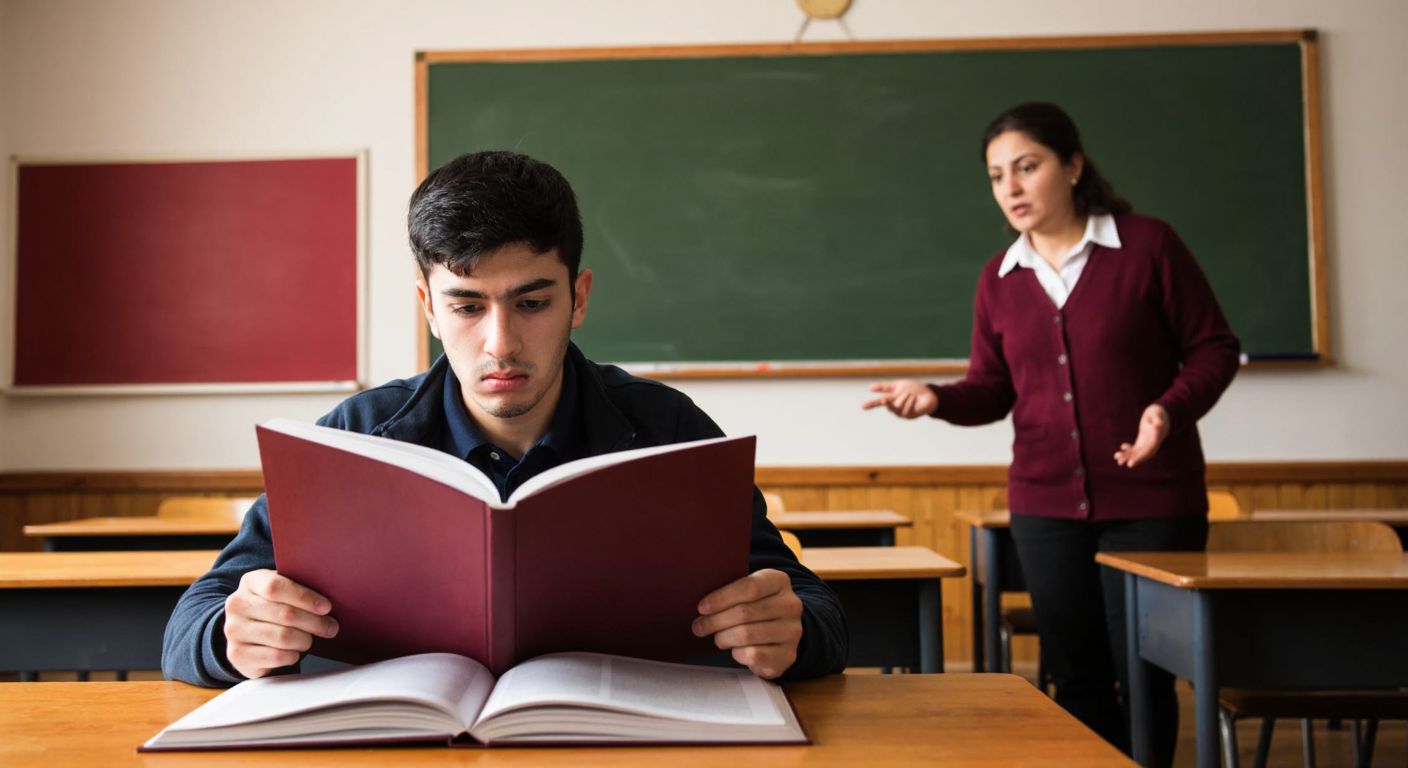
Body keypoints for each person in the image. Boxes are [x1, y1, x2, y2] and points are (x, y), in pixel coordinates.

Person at [163, 150, 847, 687]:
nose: (500, 344)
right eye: (465, 306)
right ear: (428, 307)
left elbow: (814, 612)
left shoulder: (666, 428)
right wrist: (229, 636)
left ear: (578, 297)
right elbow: (189, 624)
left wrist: (792, 631)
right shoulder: (351, 437)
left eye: (531, 303)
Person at [863, 102, 1239, 765]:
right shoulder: (999, 280)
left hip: (1153, 503)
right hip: (1045, 509)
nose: (1010, 188)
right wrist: (936, 398)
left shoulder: (1148, 247)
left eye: (1026, 167)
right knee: (1075, 676)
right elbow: (994, 390)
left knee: (1145, 675)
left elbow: (1213, 348)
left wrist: (1167, 410)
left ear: (1071, 166)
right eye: (995, 175)